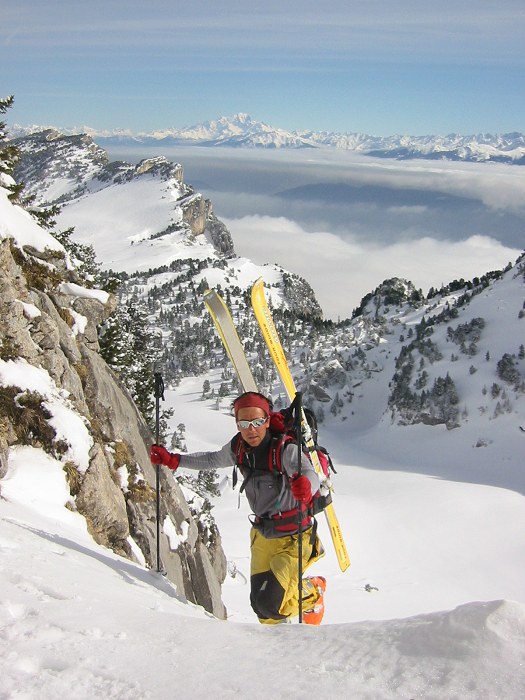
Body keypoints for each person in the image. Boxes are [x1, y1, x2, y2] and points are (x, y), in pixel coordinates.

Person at [150, 391, 326, 625]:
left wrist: (306, 485)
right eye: (244, 423)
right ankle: (281, 651)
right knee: (262, 610)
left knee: (270, 603)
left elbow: (308, 473)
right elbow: (212, 459)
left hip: (295, 538)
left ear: (266, 420)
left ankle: (313, 592)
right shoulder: (239, 448)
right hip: (263, 536)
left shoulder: (284, 449)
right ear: (237, 424)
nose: (251, 429)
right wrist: (175, 460)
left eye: (257, 422)